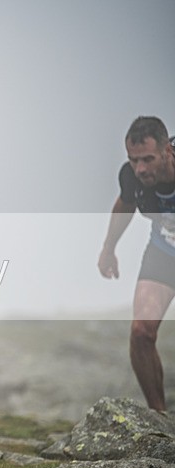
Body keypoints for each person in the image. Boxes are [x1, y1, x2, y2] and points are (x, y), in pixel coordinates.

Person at [98, 116, 175, 412]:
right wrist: (108, 249)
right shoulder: (131, 176)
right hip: (165, 251)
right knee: (141, 332)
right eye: (134, 160)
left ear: (167, 150)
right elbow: (126, 204)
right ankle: (159, 419)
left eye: (148, 159)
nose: (141, 168)